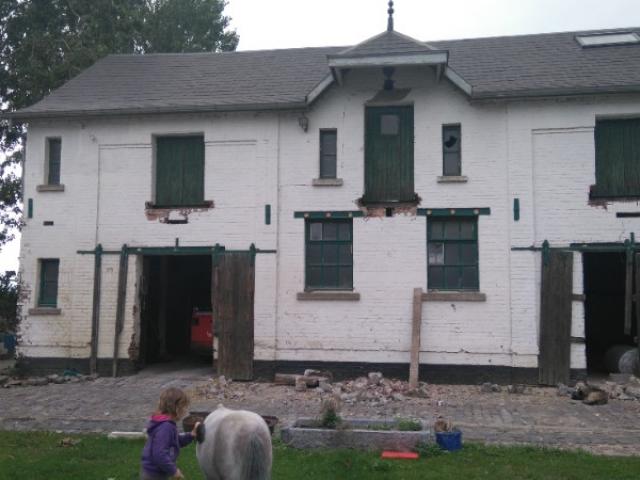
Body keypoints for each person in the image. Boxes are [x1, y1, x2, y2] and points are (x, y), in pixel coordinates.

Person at [140, 387, 199, 479]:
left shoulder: (165, 423)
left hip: (155, 471)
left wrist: (191, 435)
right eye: (184, 407)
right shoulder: (166, 427)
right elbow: (160, 455)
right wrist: (174, 471)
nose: (185, 411)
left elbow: (175, 441)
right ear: (176, 408)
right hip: (154, 474)